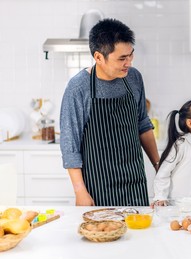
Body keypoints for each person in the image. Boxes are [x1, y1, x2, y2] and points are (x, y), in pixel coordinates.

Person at [60, 18, 159, 207]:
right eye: (122, 58)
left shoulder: (134, 78)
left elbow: (143, 125)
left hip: (134, 181)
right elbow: (70, 145)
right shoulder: (79, 87)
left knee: (140, 234)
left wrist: (158, 166)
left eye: (130, 55)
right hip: (98, 185)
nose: (128, 63)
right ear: (98, 57)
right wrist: (80, 191)